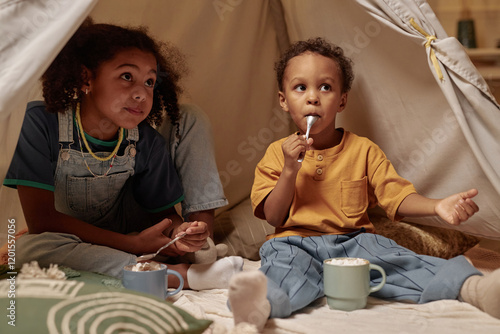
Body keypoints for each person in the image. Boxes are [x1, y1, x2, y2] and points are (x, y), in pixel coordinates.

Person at [227, 37, 500, 330]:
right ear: (283, 100)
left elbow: (396, 197)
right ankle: (260, 305)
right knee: (282, 272)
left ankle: (475, 289)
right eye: (300, 87)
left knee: (400, 260)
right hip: (293, 243)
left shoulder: (363, 150)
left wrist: (438, 206)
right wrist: (289, 171)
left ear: (342, 99)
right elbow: (273, 216)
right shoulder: (276, 153)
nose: (313, 97)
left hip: (354, 243)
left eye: (325, 87)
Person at [3, 19, 242, 289]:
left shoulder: (145, 140)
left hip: (134, 230)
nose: (141, 93)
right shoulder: (40, 123)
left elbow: (163, 214)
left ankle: (198, 250)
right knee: (26, 250)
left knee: (191, 116)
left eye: (150, 81)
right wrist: (131, 244)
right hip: (76, 237)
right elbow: (41, 220)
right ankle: (179, 276)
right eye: (127, 76)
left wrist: (179, 231)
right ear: (86, 78)